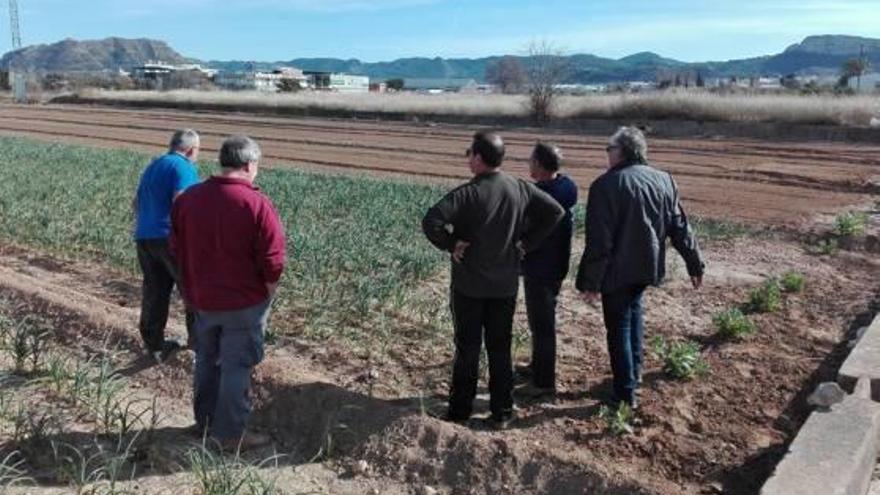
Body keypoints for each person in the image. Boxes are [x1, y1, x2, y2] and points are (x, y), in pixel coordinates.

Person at [422, 131, 564, 427]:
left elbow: (431, 220)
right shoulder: (519, 188)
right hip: (505, 286)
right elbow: (555, 212)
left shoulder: (467, 193)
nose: (468, 159)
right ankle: (502, 412)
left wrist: (452, 244)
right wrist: (526, 243)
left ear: (478, 158)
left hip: (468, 288)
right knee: (501, 349)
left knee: (468, 348)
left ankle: (460, 410)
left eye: (470, 154)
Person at [576, 126, 705, 410]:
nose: (606, 154)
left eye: (608, 148)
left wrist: (590, 282)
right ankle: (633, 376)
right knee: (634, 315)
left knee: (619, 326)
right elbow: (680, 227)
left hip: (616, 272)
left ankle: (624, 394)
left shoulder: (606, 185)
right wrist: (694, 263)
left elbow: (600, 242)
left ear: (621, 151)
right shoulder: (663, 180)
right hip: (648, 267)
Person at [171, 135, 286, 450]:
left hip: (202, 300)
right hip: (243, 302)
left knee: (207, 360)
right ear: (250, 165)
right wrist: (268, 292)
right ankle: (232, 435)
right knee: (237, 365)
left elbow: (176, 248)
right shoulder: (257, 203)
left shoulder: (188, 199)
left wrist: (191, 288)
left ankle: (205, 424)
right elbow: (273, 260)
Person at [133, 129, 200, 364]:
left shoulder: (153, 166)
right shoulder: (183, 167)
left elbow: (136, 202)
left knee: (155, 289)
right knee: (192, 286)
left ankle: (154, 345)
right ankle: (199, 342)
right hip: (169, 237)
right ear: (191, 150)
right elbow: (183, 201)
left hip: (144, 236)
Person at [519, 143, 578, 399]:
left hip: (540, 268)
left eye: (531, 161)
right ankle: (537, 367)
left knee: (542, 326)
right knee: (542, 322)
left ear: (541, 166)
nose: (528, 165)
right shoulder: (566, 187)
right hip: (556, 266)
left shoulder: (538, 198)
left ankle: (543, 382)